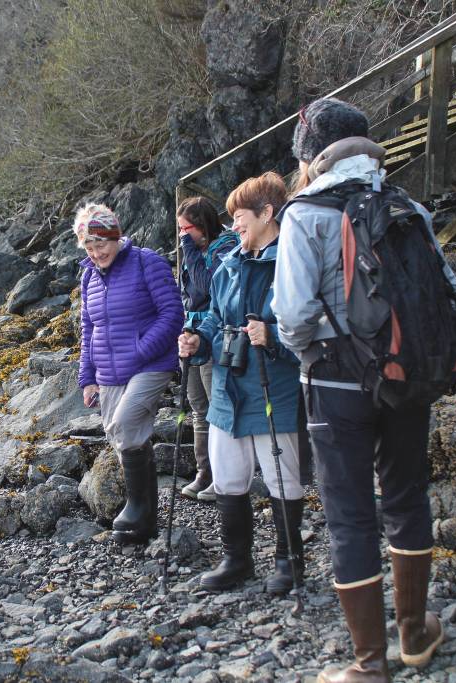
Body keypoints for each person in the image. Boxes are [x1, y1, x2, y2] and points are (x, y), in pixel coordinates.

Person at [273, 98, 450, 682]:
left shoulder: (304, 213)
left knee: (351, 518)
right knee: (406, 498)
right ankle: (416, 635)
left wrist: (320, 348)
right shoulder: (408, 206)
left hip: (333, 382)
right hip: (405, 377)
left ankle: (370, 665)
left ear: (312, 158)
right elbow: (446, 289)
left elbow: (292, 313)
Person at [177, 173, 304, 595]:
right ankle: (236, 560)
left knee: (280, 476)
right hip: (228, 389)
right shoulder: (229, 266)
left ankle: (290, 562)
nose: (234, 227)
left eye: (240, 218)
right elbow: (215, 316)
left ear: (267, 214)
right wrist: (198, 339)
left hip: (274, 385)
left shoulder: (292, 261)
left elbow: (311, 326)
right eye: (231, 220)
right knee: (229, 475)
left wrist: (274, 338)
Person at [76, 203, 184, 544]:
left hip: (151, 365)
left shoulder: (146, 261)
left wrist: (140, 350)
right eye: (89, 248)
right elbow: (88, 327)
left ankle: (136, 506)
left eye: (101, 245)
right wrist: (87, 376)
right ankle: (145, 521)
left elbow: (172, 313)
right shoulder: (89, 275)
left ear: (116, 237)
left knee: (124, 425)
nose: (96, 253)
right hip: (108, 372)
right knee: (121, 435)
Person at [176, 196, 239, 502]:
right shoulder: (196, 248)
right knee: (199, 407)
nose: (182, 235)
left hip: (215, 336)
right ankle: (206, 472)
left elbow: (205, 286)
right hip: (192, 333)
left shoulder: (225, 246)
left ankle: (225, 474)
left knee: (218, 406)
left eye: (186, 228)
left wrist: (188, 248)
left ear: (202, 225)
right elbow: (187, 296)